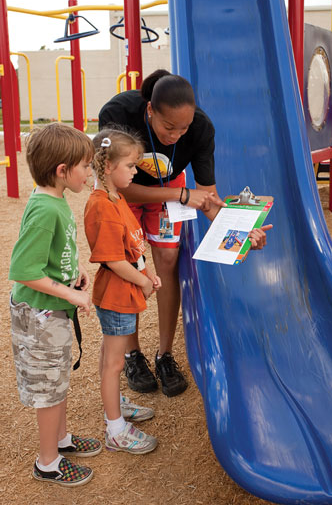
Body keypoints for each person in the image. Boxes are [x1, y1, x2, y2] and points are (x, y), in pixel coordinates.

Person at [99, 70, 271, 398]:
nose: (177, 134)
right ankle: (133, 354)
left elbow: (208, 200)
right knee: (129, 263)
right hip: (123, 191)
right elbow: (120, 187)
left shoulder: (202, 129)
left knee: (167, 257)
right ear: (150, 111)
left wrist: (245, 231)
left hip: (169, 190)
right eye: (168, 127)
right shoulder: (117, 116)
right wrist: (179, 196)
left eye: (184, 127)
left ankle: (164, 354)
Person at [8, 123, 101, 487]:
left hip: (53, 310)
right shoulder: (46, 209)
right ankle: (47, 462)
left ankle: (61, 442)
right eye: (85, 167)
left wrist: (72, 272)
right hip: (41, 315)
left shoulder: (54, 200)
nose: (89, 173)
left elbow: (52, 255)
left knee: (58, 381)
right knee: (48, 390)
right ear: (62, 171)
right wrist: (72, 294)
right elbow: (23, 270)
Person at [84, 128, 161, 455]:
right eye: (130, 165)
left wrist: (147, 273)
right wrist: (143, 281)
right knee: (114, 363)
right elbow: (113, 259)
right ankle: (115, 429)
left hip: (123, 293)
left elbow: (131, 245)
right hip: (118, 294)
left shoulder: (117, 199)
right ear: (107, 167)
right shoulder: (102, 205)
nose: (135, 171)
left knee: (110, 355)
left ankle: (113, 403)